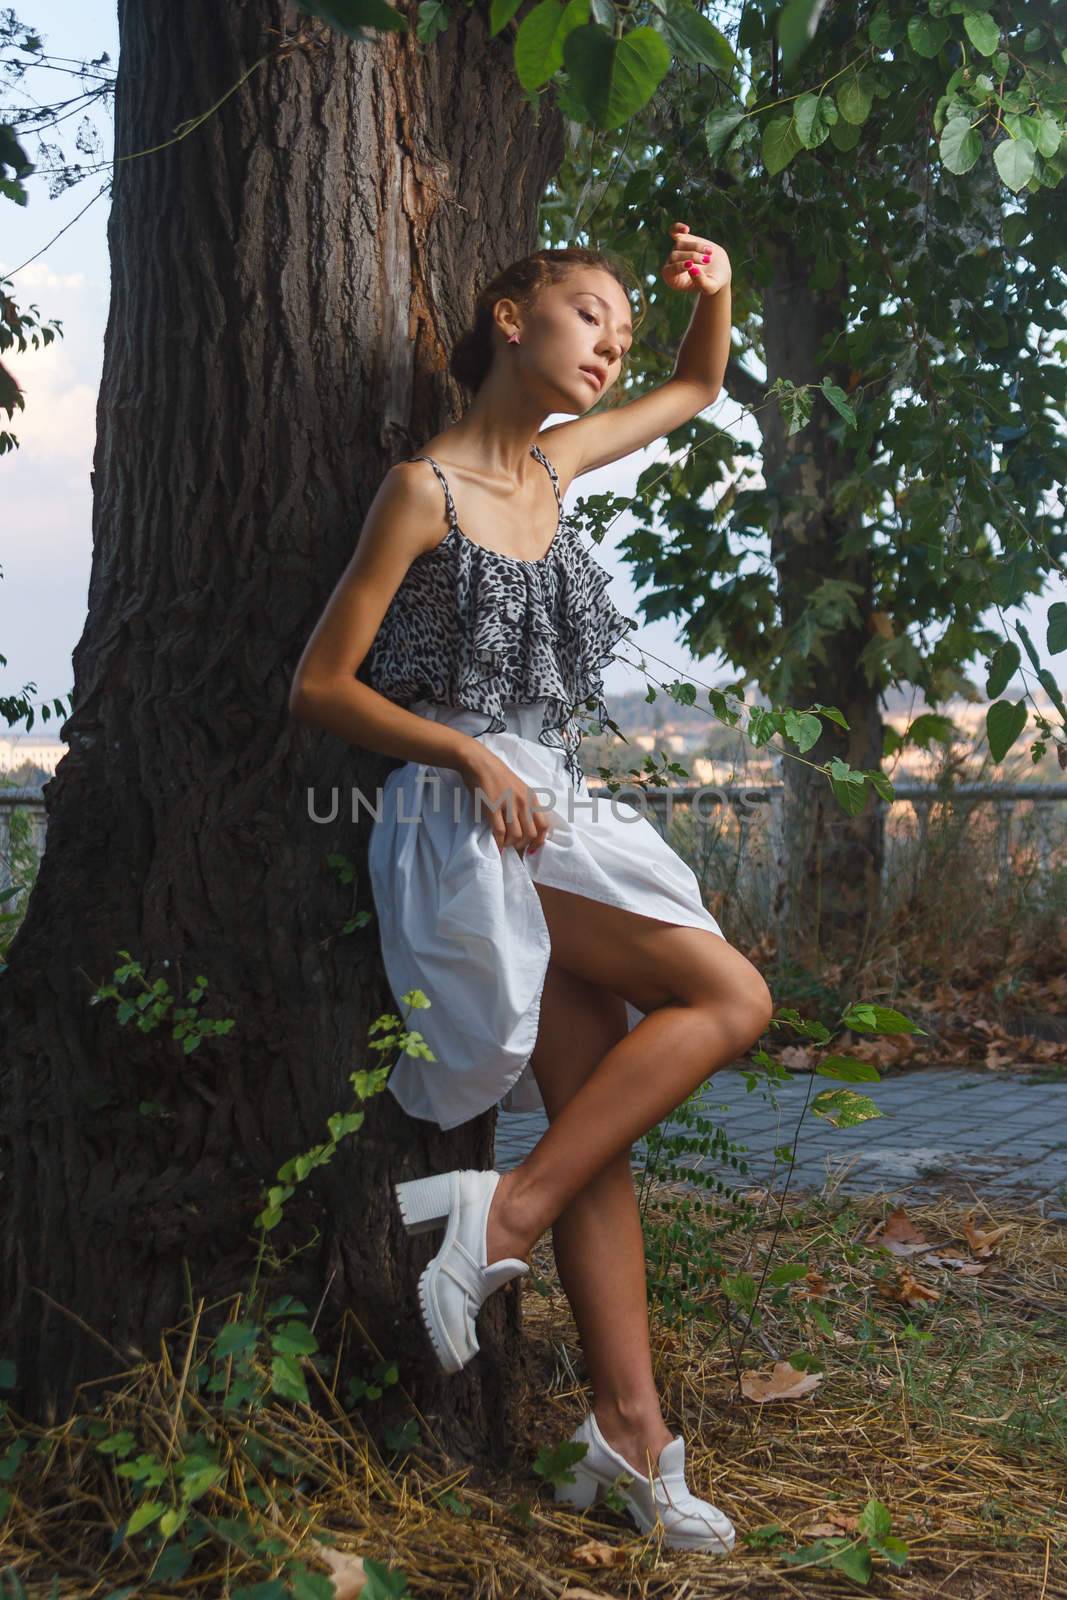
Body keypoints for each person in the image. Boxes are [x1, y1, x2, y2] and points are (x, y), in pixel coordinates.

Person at [289, 223, 774, 1554]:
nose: (615, 343)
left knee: (594, 1120)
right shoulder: (421, 491)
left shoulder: (559, 461)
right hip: (471, 813)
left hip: (549, 804)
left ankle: (627, 1435)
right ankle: (499, 1215)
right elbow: (320, 686)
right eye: (589, 313)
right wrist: (456, 752)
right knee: (729, 996)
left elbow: (693, 391)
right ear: (513, 316)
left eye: (622, 323)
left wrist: (712, 297)